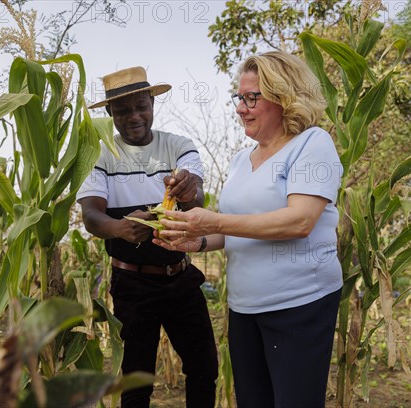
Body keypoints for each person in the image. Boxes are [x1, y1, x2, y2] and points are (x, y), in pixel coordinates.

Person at [153, 51, 343, 408]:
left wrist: (215, 221)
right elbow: (234, 228)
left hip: (299, 305)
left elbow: (300, 220)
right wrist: (195, 241)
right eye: (239, 98)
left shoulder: (312, 144)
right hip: (244, 308)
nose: (241, 107)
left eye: (252, 98)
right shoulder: (242, 159)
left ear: (286, 97)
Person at [77, 66, 218, 408]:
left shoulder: (178, 145)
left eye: (142, 106)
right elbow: (92, 216)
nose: (134, 116)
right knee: (137, 381)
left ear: (152, 103)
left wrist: (186, 188)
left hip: (181, 276)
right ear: (110, 112)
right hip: (132, 284)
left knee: (204, 367)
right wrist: (122, 228)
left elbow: (195, 195)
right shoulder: (99, 154)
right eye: (123, 110)